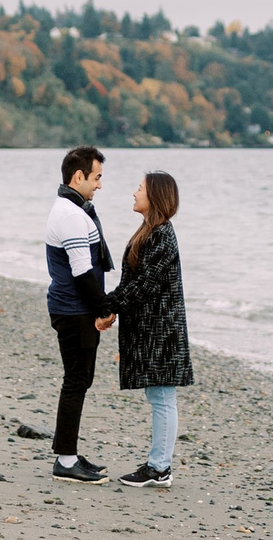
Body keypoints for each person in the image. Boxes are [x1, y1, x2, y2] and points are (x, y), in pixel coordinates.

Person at [108, 169, 192, 489]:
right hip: (153, 330)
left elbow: (143, 286)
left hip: (162, 333)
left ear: (154, 196)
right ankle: (159, 464)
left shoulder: (161, 235)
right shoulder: (149, 231)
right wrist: (111, 305)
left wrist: (107, 307)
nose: (134, 192)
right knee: (157, 395)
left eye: (139, 188)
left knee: (161, 398)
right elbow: (134, 283)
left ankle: (160, 468)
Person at [43, 144, 116, 483]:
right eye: (96, 177)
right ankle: (66, 461)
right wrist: (104, 308)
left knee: (79, 380)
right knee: (76, 381)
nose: (99, 185)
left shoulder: (71, 208)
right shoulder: (71, 214)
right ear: (78, 176)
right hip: (74, 310)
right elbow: (82, 271)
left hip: (72, 308)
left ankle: (68, 453)